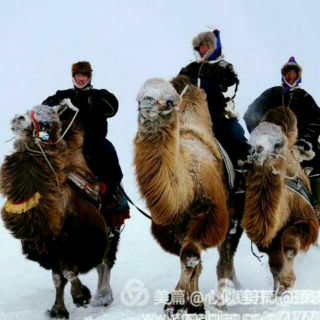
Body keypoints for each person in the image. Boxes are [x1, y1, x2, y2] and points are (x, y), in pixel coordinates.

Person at [244, 56, 320, 217]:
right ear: (283, 75)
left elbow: (317, 119)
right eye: (288, 73)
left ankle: (316, 204)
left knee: (317, 164)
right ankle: (241, 199)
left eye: (294, 73)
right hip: (271, 142)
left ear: (298, 77)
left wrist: (307, 140)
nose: (290, 76)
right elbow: (251, 113)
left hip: (297, 143)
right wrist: (259, 136)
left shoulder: (305, 97)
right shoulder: (273, 93)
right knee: (247, 162)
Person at [179, 30, 251, 192]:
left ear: (215, 47)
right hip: (189, 116)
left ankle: (242, 177)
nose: (204, 49)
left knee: (236, 137)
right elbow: (176, 89)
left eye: (208, 45)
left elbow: (226, 91)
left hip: (220, 116)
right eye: (201, 46)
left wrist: (198, 83)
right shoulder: (189, 68)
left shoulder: (226, 68)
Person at [42, 61, 123, 205]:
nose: (81, 79)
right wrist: (61, 105)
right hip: (64, 142)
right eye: (78, 75)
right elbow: (44, 107)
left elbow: (112, 106)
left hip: (93, 141)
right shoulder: (63, 95)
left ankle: (111, 195)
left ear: (89, 77)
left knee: (109, 153)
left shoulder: (100, 94)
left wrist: (84, 102)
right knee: (38, 149)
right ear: (73, 77)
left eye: (84, 76)